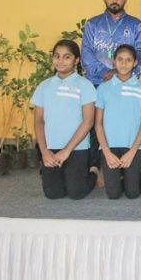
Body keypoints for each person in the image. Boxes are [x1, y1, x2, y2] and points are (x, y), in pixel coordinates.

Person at [32, 40, 100, 199]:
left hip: (76, 148)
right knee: (53, 194)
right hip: (51, 148)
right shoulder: (44, 86)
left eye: (66, 57)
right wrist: (44, 152)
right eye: (57, 56)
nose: (60, 61)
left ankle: (94, 171)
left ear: (76, 60)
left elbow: (88, 121)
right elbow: (38, 121)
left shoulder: (85, 85)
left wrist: (66, 150)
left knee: (76, 193)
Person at [94, 45, 141, 199]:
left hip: (132, 147)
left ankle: (140, 175)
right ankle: (122, 176)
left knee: (132, 193)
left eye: (128, 60)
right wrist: (106, 151)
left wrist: (132, 151)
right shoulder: (103, 88)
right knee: (113, 194)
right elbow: (98, 123)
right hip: (109, 147)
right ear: (114, 61)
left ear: (135, 62)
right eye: (120, 59)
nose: (124, 64)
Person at [81, 0, 141, 86]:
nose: (114, 0)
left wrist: (120, 71)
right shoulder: (92, 24)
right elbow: (86, 52)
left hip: (126, 81)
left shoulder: (136, 25)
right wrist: (104, 72)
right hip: (96, 82)